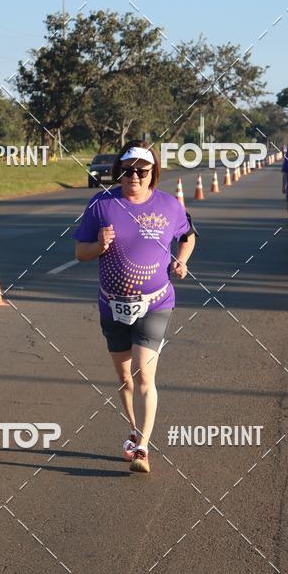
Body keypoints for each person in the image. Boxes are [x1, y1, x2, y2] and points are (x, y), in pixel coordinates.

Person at [73, 140, 197, 473]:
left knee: (144, 374)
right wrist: (98, 246)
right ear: (119, 172)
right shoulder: (101, 204)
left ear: (153, 173)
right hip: (111, 303)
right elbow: (79, 252)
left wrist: (181, 261)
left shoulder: (169, 206)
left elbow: (188, 235)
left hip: (156, 302)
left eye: (142, 172)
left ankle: (143, 448)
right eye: (127, 171)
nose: (134, 178)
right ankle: (133, 428)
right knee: (125, 378)